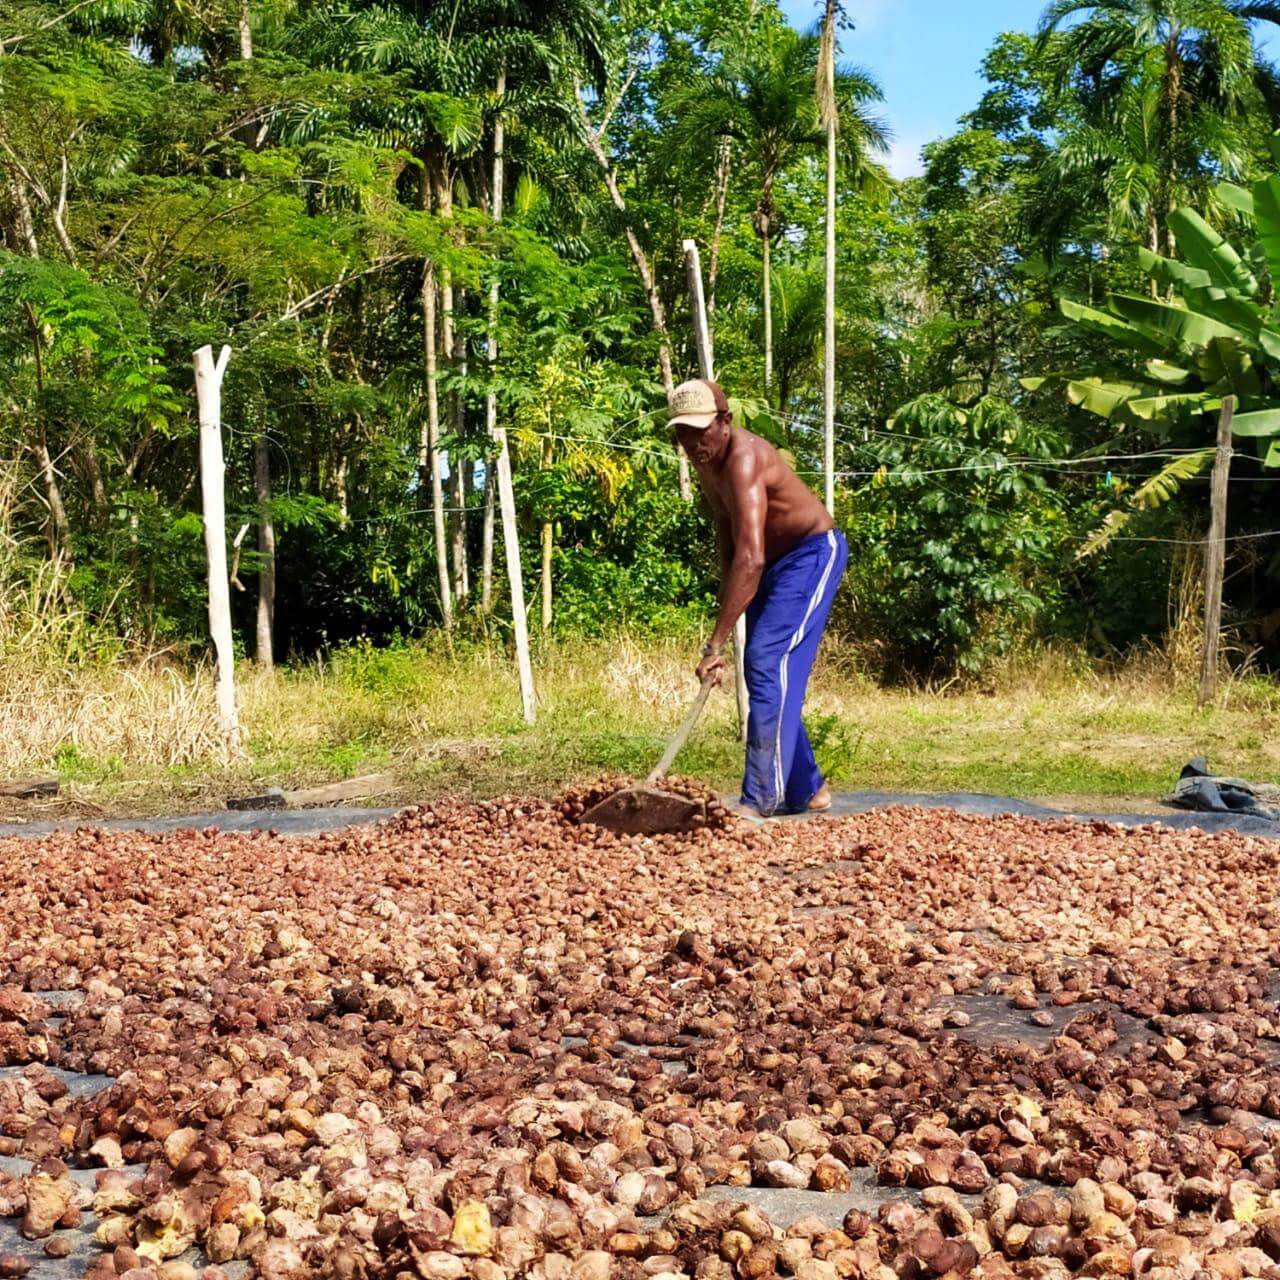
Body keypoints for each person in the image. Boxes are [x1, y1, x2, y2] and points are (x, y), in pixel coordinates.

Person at [668, 377, 848, 817]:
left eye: (699, 431)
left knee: (768, 660)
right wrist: (724, 612)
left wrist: (716, 642)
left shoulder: (744, 457)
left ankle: (761, 798)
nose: (692, 443)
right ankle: (809, 788)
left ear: (724, 422)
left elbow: (751, 555)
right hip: (770, 565)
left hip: (809, 556)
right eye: (682, 434)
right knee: (767, 668)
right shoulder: (706, 463)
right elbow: (728, 540)